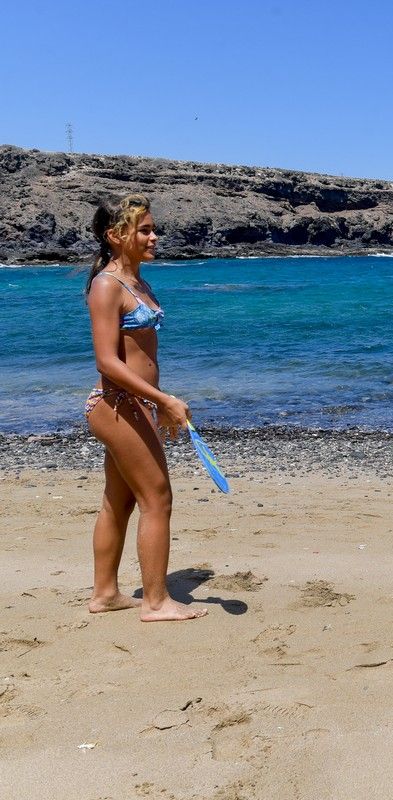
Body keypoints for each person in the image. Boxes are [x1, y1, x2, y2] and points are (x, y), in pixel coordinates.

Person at [83, 194, 206, 621]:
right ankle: (155, 601)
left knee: (119, 502)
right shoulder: (106, 285)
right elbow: (108, 361)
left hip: (136, 406)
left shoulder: (140, 284)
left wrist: (158, 405)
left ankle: (105, 594)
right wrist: (165, 401)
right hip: (117, 406)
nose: (155, 236)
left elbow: (140, 357)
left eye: (154, 229)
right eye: (145, 230)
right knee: (157, 498)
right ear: (115, 236)